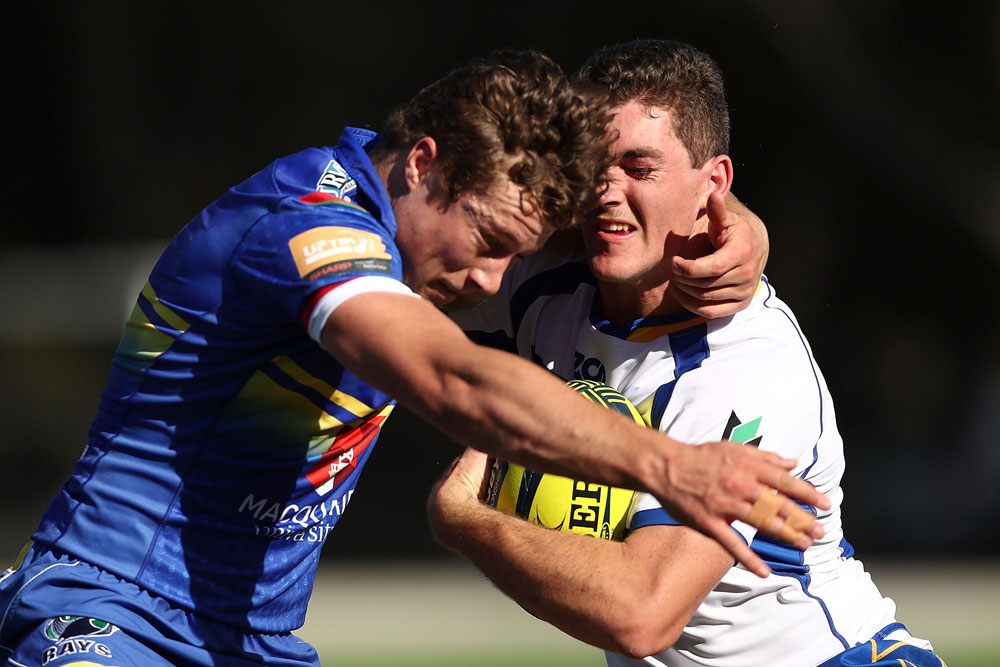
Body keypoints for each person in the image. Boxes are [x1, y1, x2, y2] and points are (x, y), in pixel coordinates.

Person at [0, 49, 826, 667]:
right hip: (113, 609)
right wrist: (668, 465)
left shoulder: (430, 238)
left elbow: (634, 191)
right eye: (491, 245)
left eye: (520, 255)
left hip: (252, 641)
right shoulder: (306, 225)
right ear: (424, 163)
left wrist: (734, 223)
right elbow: (453, 379)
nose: (492, 282)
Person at [429, 40, 945, 667]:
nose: (605, 192)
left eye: (639, 168)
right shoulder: (549, 279)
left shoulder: (747, 369)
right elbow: (404, 203)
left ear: (715, 184)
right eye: (593, 164)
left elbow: (642, 614)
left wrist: (462, 518)